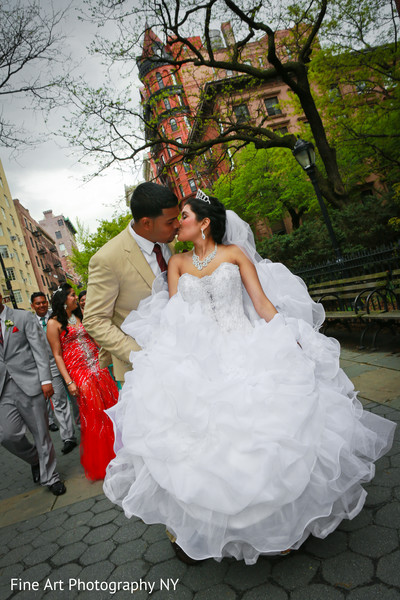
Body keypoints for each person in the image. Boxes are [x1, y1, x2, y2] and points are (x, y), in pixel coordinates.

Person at [103, 191, 396, 565]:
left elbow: (260, 304)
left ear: (204, 222)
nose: (179, 223)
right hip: (200, 356)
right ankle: (215, 528)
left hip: (246, 346)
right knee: (206, 441)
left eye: (185, 216)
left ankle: (279, 526)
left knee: (267, 435)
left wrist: (291, 337)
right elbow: (175, 319)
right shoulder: (176, 264)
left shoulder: (234, 255)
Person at [83, 182, 180, 384]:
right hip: (142, 371)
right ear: (146, 223)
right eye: (170, 221)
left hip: (182, 357)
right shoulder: (107, 259)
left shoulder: (169, 241)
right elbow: (94, 320)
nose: (177, 225)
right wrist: (140, 354)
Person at [46, 284, 118, 480]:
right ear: (62, 300)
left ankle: (121, 452)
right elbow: (57, 355)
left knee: (111, 406)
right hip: (78, 371)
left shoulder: (80, 315)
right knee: (94, 413)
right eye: (71, 295)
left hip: (97, 365)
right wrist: (69, 381)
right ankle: (105, 460)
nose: (75, 297)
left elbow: (93, 339)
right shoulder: (53, 324)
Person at [0, 294, 66, 495]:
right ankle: (36, 459)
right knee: (7, 435)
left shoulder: (22, 318)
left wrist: (46, 380)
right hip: (3, 388)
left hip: (30, 383)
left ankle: (51, 477)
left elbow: (39, 350)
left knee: (41, 433)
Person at [31, 292, 77, 454]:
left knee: (77, 396)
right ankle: (68, 437)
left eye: (44, 302)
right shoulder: (29, 322)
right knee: (58, 402)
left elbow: (75, 328)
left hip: (69, 362)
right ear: (32, 306)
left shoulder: (59, 315)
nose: (42, 305)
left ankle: (82, 425)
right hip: (49, 367)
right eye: (38, 303)